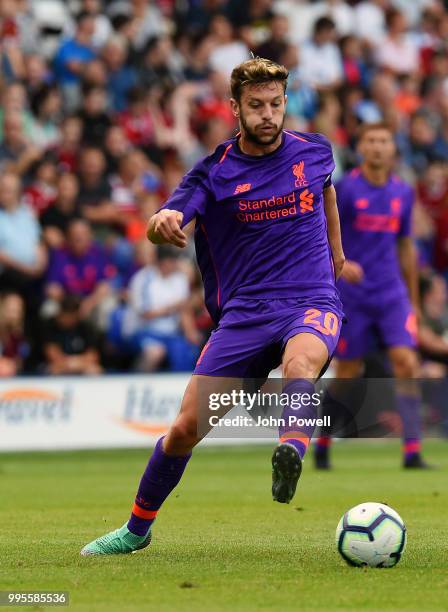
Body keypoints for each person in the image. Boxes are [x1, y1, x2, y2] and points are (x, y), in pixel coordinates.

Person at [81, 57, 345, 556]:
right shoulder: (215, 171)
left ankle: (291, 447)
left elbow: (326, 190)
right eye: (256, 106)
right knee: (183, 430)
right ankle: (136, 531)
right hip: (244, 314)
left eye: (275, 104)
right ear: (234, 108)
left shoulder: (316, 150)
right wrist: (161, 222)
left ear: (285, 103)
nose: (268, 114)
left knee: (301, 361)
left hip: (310, 298)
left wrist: (336, 249)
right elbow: (171, 212)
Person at [313, 122, 429, 470]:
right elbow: (322, 230)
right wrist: (340, 262)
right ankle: (321, 441)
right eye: (371, 141)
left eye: (384, 141)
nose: (378, 147)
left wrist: (413, 301)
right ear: (361, 148)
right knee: (348, 371)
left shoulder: (403, 192)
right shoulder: (345, 190)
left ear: (393, 149)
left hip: (391, 292)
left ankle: (412, 451)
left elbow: (405, 245)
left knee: (407, 362)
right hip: (354, 294)